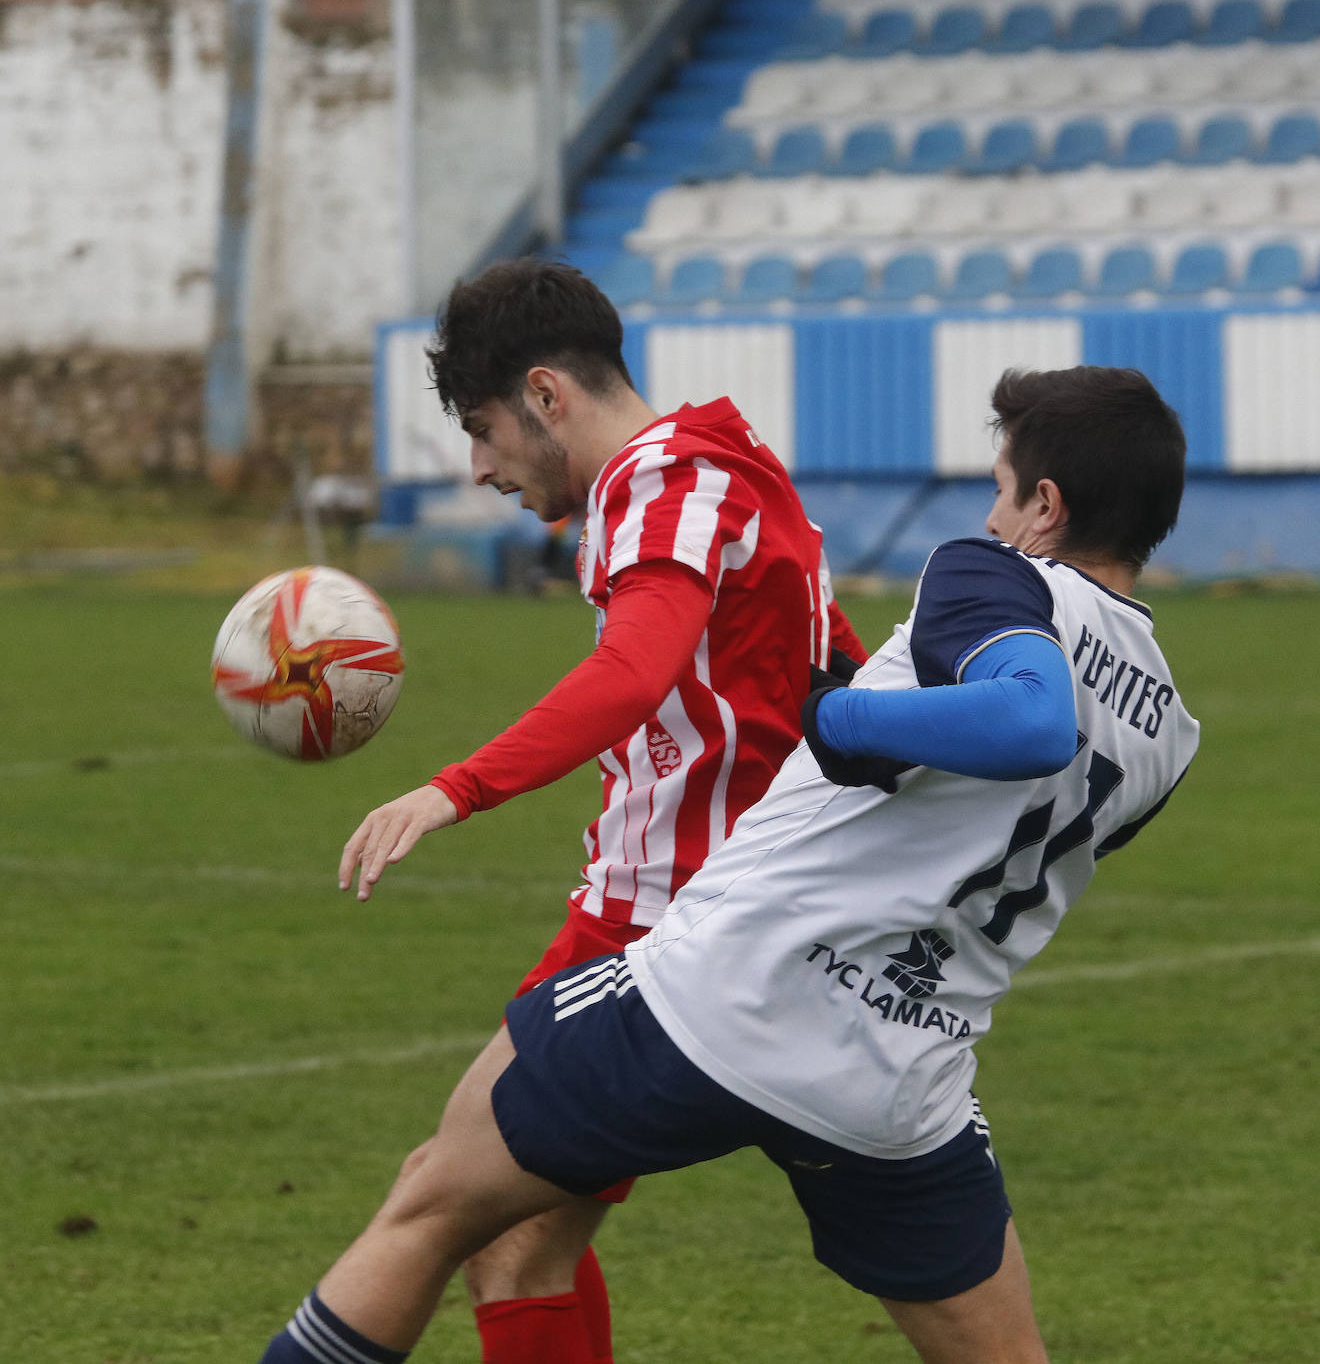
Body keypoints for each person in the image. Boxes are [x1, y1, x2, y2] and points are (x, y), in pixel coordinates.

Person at [258, 364, 1199, 1364]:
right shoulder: (1170, 733)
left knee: (432, 1210)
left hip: (721, 1001)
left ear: (1045, 507)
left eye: (1003, 487)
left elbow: (1030, 719)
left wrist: (840, 718)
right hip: (896, 1077)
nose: (991, 509)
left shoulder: (993, 573)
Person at [331, 258, 866, 1364]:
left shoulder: (660, 484)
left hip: (668, 921)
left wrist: (453, 788)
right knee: (518, 1237)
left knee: (448, 1206)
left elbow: (633, 672)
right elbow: (836, 666)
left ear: (545, 395)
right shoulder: (728, 463)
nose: (479, 468)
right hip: (743, 908)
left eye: (482, 430)